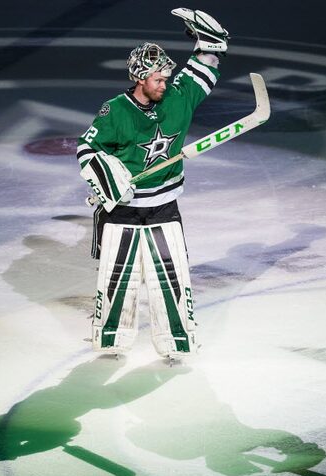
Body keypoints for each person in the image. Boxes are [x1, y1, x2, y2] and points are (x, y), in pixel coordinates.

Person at [77, 8, 229, 360]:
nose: (165, 83)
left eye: (166, 77)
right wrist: (107, 177)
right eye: (158, 79)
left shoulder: (178, 97)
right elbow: (88, 147)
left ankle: (176, 342)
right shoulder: (114, 111)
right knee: (118, 281)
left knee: (171, 279)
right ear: (140, 78)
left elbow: (207, 64)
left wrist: (211, 44)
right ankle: (111, 341)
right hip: (123, 211)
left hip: (163, 206)